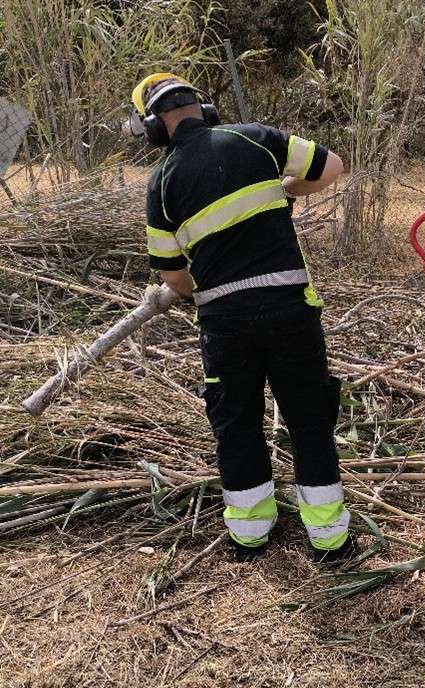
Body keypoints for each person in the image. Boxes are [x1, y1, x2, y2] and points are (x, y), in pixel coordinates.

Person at [128, 73, 350, 563]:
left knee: (237, 423)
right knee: (309, 419)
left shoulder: (161, 184)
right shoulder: (255, 137)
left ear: (153, 127)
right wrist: (284, 191)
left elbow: (175, 277)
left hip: (225, 323)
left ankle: (250, 534)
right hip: (292, 309)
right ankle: (330, 537)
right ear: (203, 108)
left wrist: (201, 284)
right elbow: (332, 166)